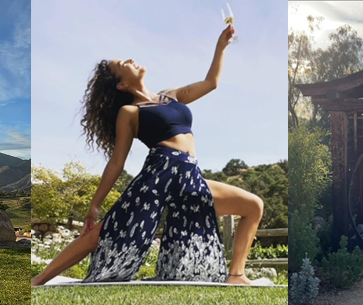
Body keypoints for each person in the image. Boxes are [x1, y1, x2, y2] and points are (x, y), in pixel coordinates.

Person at [31, 24, 265, 286]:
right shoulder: (130, 113)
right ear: (121, 83)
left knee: (253, 205)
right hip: (157, 177)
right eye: (123, 63)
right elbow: (117, 161)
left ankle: (236, 275)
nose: (131, 59)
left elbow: (211, 83)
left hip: (190, 175)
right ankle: (37, 280)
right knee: (100, 234)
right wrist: (95, 204)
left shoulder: (170, 95)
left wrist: (221, 46)